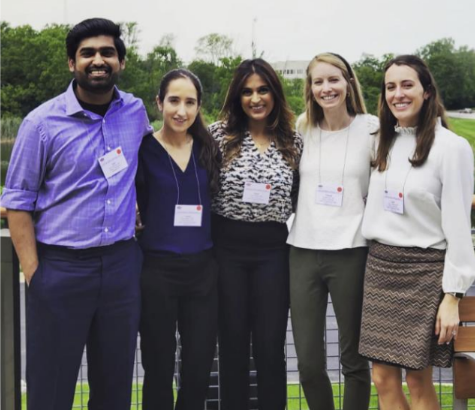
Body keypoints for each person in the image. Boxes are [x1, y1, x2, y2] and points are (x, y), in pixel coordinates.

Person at [0, 18, 152, 410]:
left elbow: (154, 161)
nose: (97, 60)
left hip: (121, 268)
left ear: (121, 61)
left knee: (115, 387)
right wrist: (35, 273)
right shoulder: (41, 124)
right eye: (87, 53)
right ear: (72, 63)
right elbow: (17, 202)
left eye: (107, 52)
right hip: (61, 269)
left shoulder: (135, 113)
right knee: (50, 389)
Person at [359, 55, 475, 410]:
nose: (398, 94)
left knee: (417, 379)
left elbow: (459, 225)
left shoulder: (451, 148)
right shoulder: (381, 141)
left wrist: (453, 295)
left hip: (424, 273)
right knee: (381, 377)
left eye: (407, 85)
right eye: (390, 87)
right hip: (380, 267)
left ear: (427, 92)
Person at [209, 58, 302, 410]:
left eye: (263, 90)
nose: (256, 98)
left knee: (270, 347)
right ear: (237, 97)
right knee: (232, 346)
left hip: (273, 253)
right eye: (247, 92)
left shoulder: (293, 141)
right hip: (227, 250)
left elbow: (300, 198)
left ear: (274, 93)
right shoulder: (219, 135)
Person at [287, 53, 376, 410]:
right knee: (308, 362)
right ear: (310, 88)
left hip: (352, 251)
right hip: (303, 252)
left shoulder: (371, 128)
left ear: (348, 82)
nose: (327, 88)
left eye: (333, 80)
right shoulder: (302, 126)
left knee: (354, 359)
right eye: (318, 81)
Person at [136, 69, 220, 410]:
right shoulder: (142, 149)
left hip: (203, 272)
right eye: (174, 101)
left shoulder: (209, 149)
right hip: (156, 270)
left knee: (199, 368)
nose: (181, 111)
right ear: (159, 103)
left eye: (190, 102)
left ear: (199, 107)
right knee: (157, 366)